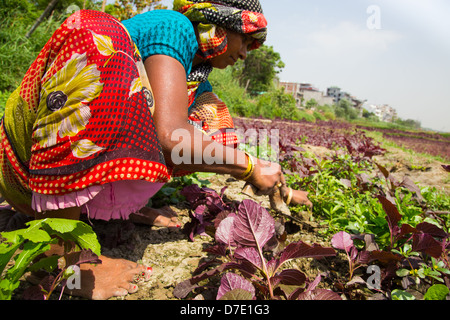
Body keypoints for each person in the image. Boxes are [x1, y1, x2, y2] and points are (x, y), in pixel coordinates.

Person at [0, 0, 311, 300]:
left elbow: (204, 144)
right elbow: (170, 137)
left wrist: (280, 185)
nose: (244, 53)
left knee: (212, 123)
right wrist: (250, 167)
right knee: (99, 33)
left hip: (45, 176)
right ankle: (65, 256)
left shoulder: (195, 74)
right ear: (218, 23)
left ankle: (111, 206)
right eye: (245, 40)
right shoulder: (172, 26)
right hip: (25, 169)